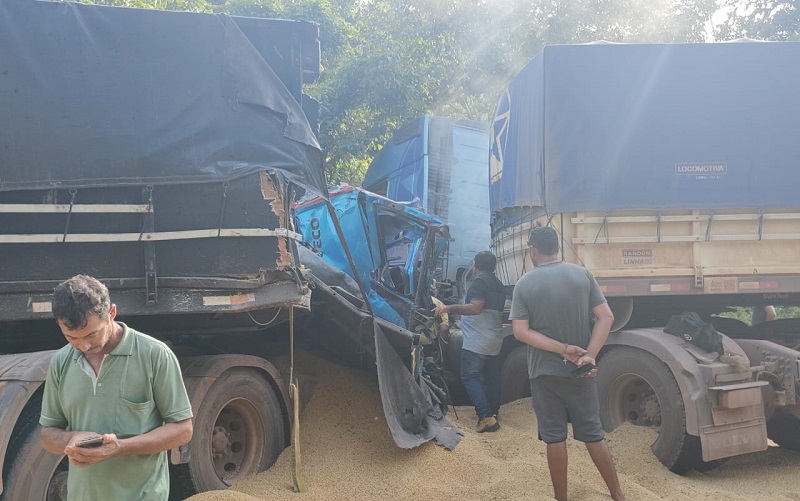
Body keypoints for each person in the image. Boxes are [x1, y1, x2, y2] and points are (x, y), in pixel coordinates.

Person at [39, 275, 194, 501]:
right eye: (71, 337)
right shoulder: (60, 362)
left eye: (92, 334)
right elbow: (47, 435)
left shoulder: (154, 355)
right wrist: (73, 438)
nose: (84, 346)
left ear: (111, 313)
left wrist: (120, 447)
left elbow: (183, 430)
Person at [510, 226, 626, 501]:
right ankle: (618, 495)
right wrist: (589, 355)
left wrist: (561, 349)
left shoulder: (524, 284)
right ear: (557, 248)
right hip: (580, 373)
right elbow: (606, 317)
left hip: (543, 373)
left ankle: (561, 498)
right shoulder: (581, 275)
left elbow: (520, 331)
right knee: (593, 434)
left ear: (533, 251)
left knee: (554, 437)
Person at [434, 251, 506, 433]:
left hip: (477, 340)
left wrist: (448, 308)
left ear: (476, 266)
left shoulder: (479, 283)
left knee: (469, 375)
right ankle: (493, 412)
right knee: (491, 377)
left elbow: (475, 308)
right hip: (494, 339)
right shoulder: (499, 285)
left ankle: (485, 416)